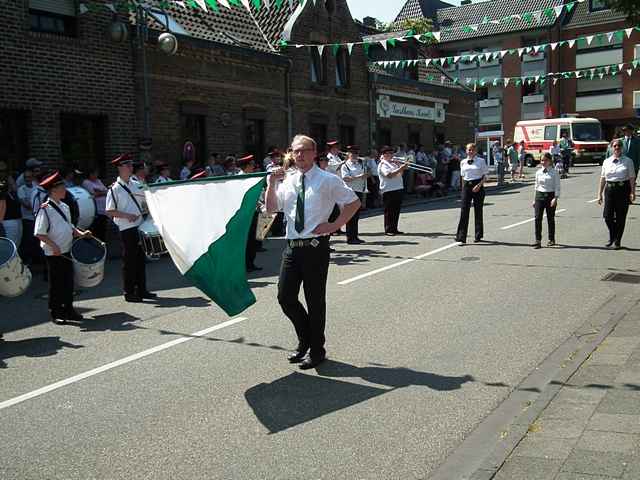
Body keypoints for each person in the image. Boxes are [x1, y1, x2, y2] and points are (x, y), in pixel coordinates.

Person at [265, 134, 360, 370]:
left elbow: (353, 203)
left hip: (315, 248)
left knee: (314, 301)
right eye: (296, 151)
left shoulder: (327, 179)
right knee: (285, 297)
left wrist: (333, 226)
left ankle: (317, 350)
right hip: (292, 247)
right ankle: (306, 339)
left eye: (304, 151)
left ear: (314, 153)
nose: (299, 155)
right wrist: (270, 184)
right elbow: (271, 209)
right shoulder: (288, 179)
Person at [34, 171, 91, 324]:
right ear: (53, 190)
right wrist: (54, 246)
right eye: (62, 187)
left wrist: (81, 233)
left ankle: (69, 309)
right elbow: (39, 233)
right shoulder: (45, 209)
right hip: (54, 253)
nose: (65, 190)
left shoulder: (64, 206)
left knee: (68, 281)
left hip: (66, 249)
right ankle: (56, 312)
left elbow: (70, 227)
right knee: (56, 283)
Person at [106, 153, 156, 302]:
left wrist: (146, 208)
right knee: (129, 261)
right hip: (126, 228)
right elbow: (109, 211)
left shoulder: (135, 184)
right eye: (127, 165)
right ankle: (129, 291)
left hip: (139, 225)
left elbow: (143, 201)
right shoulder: (114, 189)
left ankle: (142, 289)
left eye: (131, 165)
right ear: (120, 168)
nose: (130, 167)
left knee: (140, 259)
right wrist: (127, 215)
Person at [597, 138, 636, 249]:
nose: (617, 148)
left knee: (620, 217)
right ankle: (613, 235)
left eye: (619, 145)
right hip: (609, 190)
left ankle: (617, 241)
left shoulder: (628, 161)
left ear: (622, 148)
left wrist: (632, 192)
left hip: (623, 190)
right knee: (607, 216)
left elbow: (632, 178)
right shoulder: (606, 161)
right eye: (614, 146)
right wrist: (599, 194)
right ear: (611, 148)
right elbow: (603, 178)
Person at [455, 143, 489, 244]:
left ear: (475, 151)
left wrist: (479, 185)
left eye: (472, 150)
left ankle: (478, 235)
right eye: (468, 150)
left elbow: (486, 176)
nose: (470, 151)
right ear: (466, 151)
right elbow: (462, 176)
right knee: (464, 211)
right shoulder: (463, 162)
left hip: (477, 185)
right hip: (466, 186)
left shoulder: (481, 161)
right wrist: (462, 189)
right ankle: (461, 237)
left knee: (478, 211)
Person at [236, 154, 262, 272]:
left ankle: (250, 263)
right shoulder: (239, 179)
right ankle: (244, 265)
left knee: (253, 239)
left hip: (253, 211)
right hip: (245, 214)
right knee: (245, 240)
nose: (253, 167)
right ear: (246, 166)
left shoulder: (250, 177)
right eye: (251, 165)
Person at [532, 153, 561, 249]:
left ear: (549, 161)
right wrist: (534, 199)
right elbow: (536, 186)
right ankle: (538, 240)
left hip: (550, 196)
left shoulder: (554, 172)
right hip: (539, 196)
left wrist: (555, 198)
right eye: (541, 160)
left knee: (550, 218)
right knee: (537, 218)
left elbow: (557, 186)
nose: (543, 162)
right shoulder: (538, 172)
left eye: (545, 160)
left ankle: (551, 239)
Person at [378, 145, 408, 236]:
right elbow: (389, 175)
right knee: (389, 211)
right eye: (389, 153)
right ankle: (388, 229)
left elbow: (400, 174)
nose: (391, 155)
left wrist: (401, 167)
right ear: (384, 154)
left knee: (396, 210)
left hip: (398, 188)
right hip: (388, 190)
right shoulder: (383, 164)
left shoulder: (394, 163)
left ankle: (394, 228)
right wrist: (400, 168)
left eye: (392, 153)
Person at [340, 145, 367, 245]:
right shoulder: (345, 165)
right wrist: (359, 176)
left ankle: (355, 236)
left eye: (356, 153)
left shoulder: (360, 165)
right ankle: (350, 238)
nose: (355, 155)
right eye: (353, 153)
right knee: (350, 216)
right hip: (350, 192)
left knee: (356, 216)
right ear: (348, 154)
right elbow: (345, 178)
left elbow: (363, 179)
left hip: (359, 190)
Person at [17, 168, 39, 264]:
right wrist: (36, 203)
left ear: (33, 177)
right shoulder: (21, 189)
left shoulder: (37, 187)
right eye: (26, 177)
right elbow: (27, 205)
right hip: (27, 219)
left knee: (37, 240)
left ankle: (36, 260)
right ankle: (27, 260)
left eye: (29, 177)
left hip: (37, 218)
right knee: (28, 240)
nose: (27, 179)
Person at [82, 168, 109, 242]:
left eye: (96, 173)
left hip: (103, 209)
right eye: (94, 173)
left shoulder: (98, 181)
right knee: (96, 228)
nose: (96, 175)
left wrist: (100, 192)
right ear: (90, 174)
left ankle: (103, 243)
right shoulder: (86, 182)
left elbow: (107, 191)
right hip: (95, 209)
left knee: (103, 228)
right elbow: (93, 193)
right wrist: (102, 192)